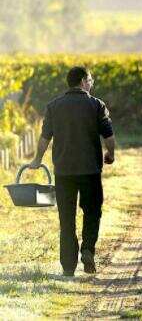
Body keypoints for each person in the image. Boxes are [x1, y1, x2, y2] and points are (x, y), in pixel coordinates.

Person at [29, 66, 115, 277]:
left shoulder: (54, 106)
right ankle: (87, 249)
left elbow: (44, 139)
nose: (92, 84)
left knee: (66, 218)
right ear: (83, 81)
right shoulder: (96, 105)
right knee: (92, 212)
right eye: (91, 80)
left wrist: (37, 160)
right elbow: (109, 136)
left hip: (64, 172)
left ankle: (68, 266)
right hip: (90, 170)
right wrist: (110, 154)